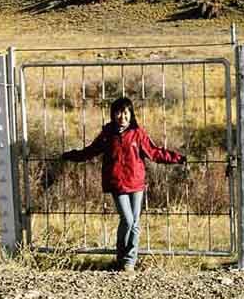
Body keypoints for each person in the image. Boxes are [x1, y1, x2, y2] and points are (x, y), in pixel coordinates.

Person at [61, 96, 186, 271]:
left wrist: (178, 158)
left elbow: (154, 153)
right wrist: (71, 155)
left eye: (126, 112)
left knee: (135, 223)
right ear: (113, 114)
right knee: (127, 220)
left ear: (131, 114)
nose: (122, 116)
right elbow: (91, 151)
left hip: (136, 183)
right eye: (119, 112)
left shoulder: (138, 133)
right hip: (117, 183)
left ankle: (129, 262)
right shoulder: (107, 134)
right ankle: (121, 257)